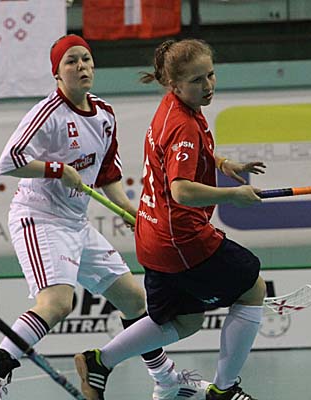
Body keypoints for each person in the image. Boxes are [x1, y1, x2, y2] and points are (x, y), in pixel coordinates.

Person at [0, 34, 207, 400]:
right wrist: (57, 170)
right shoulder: (47, 113)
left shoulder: (104, 114)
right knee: (57, 303)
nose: (81, 66)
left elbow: (107, 175)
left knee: (133, 300)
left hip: (76, 223)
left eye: (86, 59)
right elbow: (9, 162)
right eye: (71, 61)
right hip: (39, 218)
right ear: (57, 73)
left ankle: (166, 378)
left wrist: (129, 212)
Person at [74, 38, 267, 400]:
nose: (208, 85)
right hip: (181, 240)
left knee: (185, 320)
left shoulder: (174, 108)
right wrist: (234, 195)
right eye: (197, 80)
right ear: (174, 84)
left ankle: (99, 362)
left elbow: (180, 158)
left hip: (154, 238)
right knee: (252, 287)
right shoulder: (184, 124)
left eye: (210, 75)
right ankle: (224, 390)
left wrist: (222, 164)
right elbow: (181, 191)